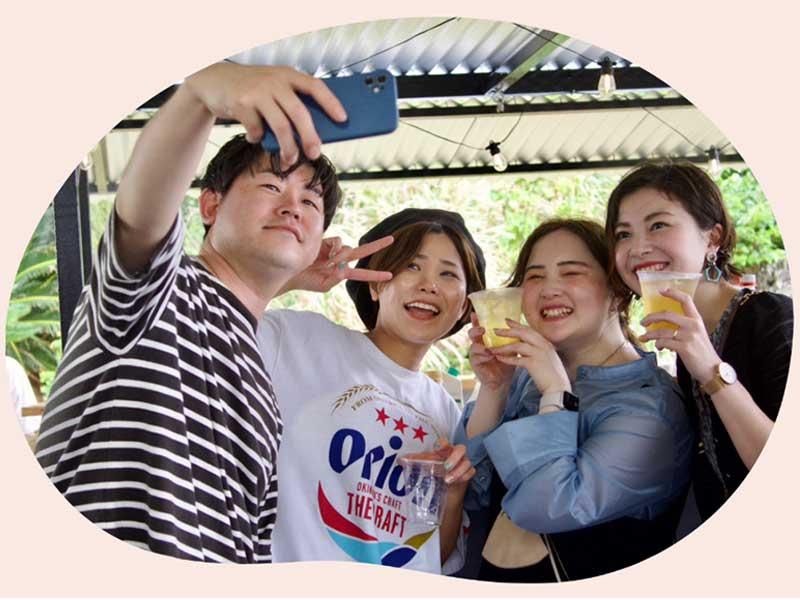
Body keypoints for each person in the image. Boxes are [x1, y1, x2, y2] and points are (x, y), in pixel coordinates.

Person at [33, 62, 377, 563]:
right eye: (272, 187)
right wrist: (200, 94)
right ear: (210, 206)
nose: (293, 207)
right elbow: (140, 214)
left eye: (311, 201)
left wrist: (285, 277)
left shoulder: (258, 380)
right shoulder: (159, 289)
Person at [454, 219, 693, 582]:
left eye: (571, 273)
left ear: (618, 291)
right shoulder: (527, 378)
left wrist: (556, 391)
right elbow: (469, 491)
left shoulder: (650, 408)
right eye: (535, 276)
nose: (549, 289)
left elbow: (546, 509)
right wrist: (495, 388)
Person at [257, 208, 485, 574]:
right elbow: (204, 315)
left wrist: (454, 492)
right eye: (412, 266)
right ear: (376, 285)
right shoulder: (298, 340)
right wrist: (288, 276)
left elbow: (436, 558)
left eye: (448, 274)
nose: (429, 284)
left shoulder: (446, 412)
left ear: (463, 308)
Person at [605, 160, 793, 525]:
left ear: (713, 238)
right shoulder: (687, 339)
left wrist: (710, 369)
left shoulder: (773, 317)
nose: (638, 248)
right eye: (623, 234)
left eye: (658, 225)